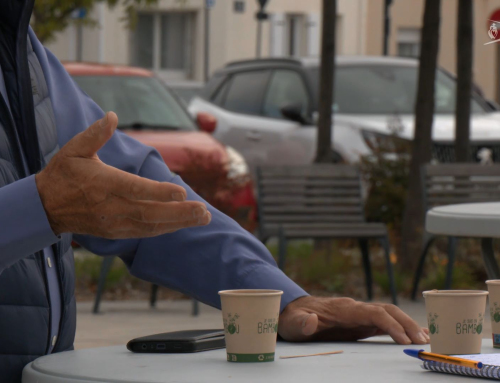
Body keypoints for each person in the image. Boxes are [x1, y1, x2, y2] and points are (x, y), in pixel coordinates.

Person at [0, 1, 429, 381]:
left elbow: (146, 194)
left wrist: (282, 301)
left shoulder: (21, 47)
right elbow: (58, 196)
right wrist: (39, 208)